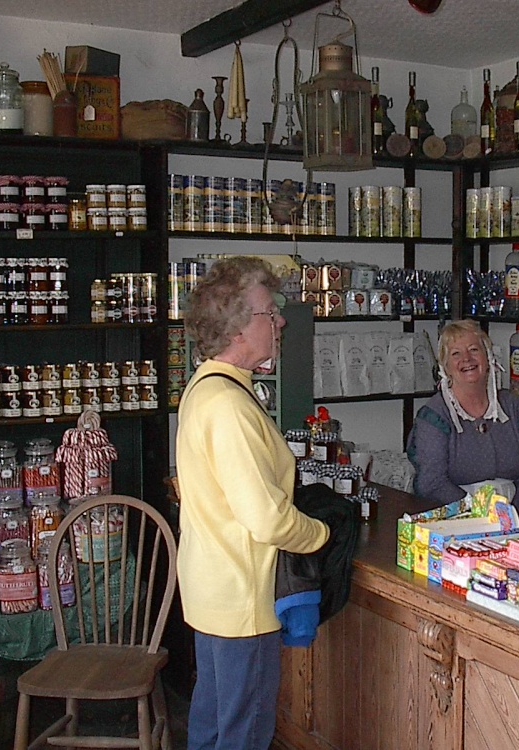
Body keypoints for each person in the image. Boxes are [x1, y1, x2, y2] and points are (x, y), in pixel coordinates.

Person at [175, 256, 330, 750]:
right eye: (270, 312)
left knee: (214, 723)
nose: (280, 321)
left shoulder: (207, 387)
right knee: (243, 732)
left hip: (213, 590)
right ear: (239, 327)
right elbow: (265, 518)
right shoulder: (229, 405)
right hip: (242, 599)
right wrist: (320, 533)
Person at [406, 319, 519, 528]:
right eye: (456, 354)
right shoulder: (433, 416)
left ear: (488, 357)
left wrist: (514, 520)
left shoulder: (516, 409)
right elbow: (431, 483)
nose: (467, 359)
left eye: (474, 349)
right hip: (457, 527)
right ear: (445, 366)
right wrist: (481, 521)